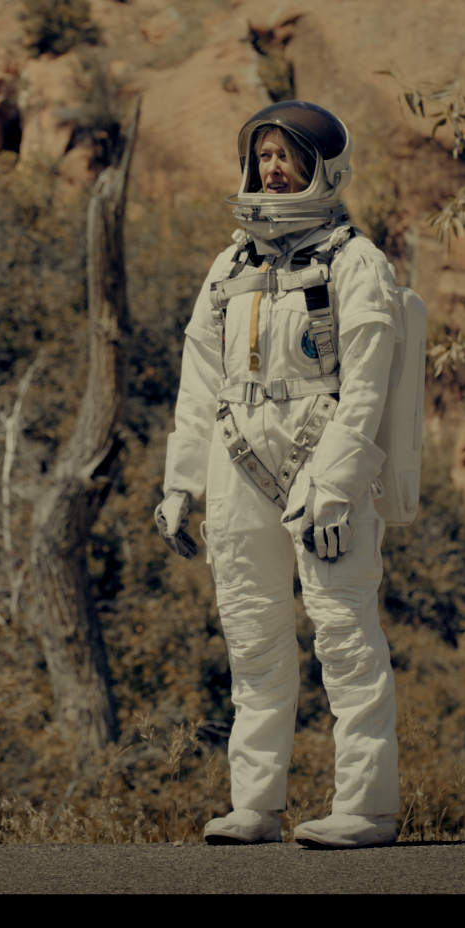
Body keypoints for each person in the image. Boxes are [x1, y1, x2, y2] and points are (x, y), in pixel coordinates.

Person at [153, 100, 402, 849]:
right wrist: (179, 484)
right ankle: (254, 806)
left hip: (322, 473)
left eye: (287, 153)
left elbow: (366, 387)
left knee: (344, 638)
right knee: (254, 642)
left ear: (325, 166)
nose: (272, 167)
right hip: (235, 465)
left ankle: (366, 807)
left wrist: (336, 484)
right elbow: (200, 384)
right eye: (262, 155)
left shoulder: (357, 263)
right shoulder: (230, 267)